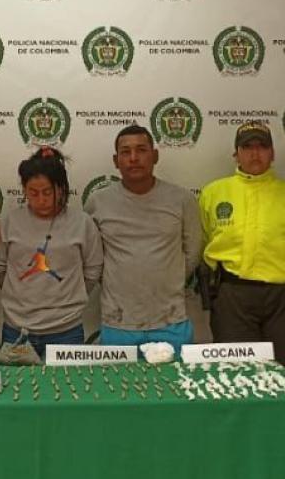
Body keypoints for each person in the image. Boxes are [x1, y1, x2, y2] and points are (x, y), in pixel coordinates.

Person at [198, 121, 285, 379]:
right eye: (247, 147)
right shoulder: (213, 193)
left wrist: (282, 278)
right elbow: (205, 239)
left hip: (284, 297)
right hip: (233, 296)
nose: (255, 154)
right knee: (236, 379)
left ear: (272, 153)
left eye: (262, 147)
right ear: (235, 153)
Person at [85, 125, 202, 353]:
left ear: (155, 155)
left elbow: (193, 253)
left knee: (175, 388)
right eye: (125, 152)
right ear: (115, 160)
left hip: (171, 322)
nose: (133, 158)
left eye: (141, 150)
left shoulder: (182, 199)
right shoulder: (98, 202)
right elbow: (92, 259)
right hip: (118, 323)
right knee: (117, 388)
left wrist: (168, 278)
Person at [0, 147, 103, 359]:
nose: (41, 199)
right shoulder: (9, 222)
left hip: (67, 330)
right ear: (24, 190)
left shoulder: (82, 223)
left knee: (70, 389)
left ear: (61, 189)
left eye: (47, 192)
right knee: (17, 390)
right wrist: (20, 294)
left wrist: (69, 295)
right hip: (17, 329)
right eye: (33, 193)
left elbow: (93, 269)